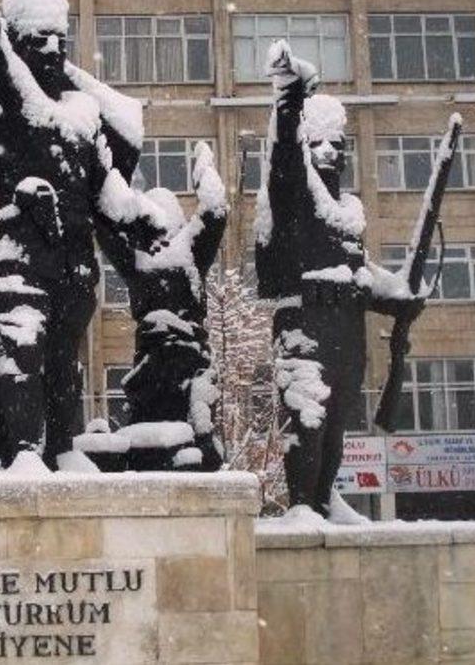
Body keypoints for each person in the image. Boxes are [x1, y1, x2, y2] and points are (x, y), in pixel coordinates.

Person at [253, 41, 424, 522]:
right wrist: (289, 98)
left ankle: (325, 500)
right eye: (318, 144)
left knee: (334, 430)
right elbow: (285, 158)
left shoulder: (349, 213)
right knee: (307, 423)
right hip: (304, 329)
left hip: (346, 333)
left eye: (336, 145)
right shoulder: (294, 197)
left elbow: (361, 275)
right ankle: (303, 507)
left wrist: (400, 298)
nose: (328, 152)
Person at [0, 0, 135, 465]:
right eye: (40, 39)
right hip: (22, 258)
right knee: (22, 355)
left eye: (60, 39)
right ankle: (23, 455)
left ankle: (62, 451)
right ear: (17, 44)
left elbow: (105, 188)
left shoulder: (85, 112)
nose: (53, 49)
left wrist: (137, 217)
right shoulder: (13, 99)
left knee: (63, 365)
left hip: (74, 264)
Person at [94, 143, 228, 470]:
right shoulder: (146, 260)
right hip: (153, 364)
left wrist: (205, 170)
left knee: (185, 431)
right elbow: (215, 212)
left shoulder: (181, 254)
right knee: (154, 435)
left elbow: (215, 213)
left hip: (183, 363)